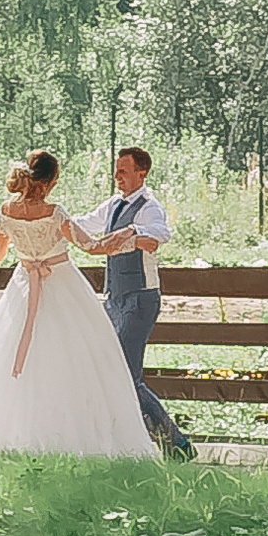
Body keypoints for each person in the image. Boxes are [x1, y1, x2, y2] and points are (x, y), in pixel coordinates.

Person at [0, 153, 155, 460]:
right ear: (51, 181)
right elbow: (92, 247)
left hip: (22, 288)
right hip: (63, 287)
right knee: (78, 358)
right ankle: (80, 438)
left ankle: (11, 435)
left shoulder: (6, 212)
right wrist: (130, 236)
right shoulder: (55, 214)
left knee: (16, 359)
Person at [92, 145, 192, 457]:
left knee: (126, 375)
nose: (117, 176)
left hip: (140, 300)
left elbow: (160, 234)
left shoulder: (149, 207)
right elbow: (84, 224)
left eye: (123, 170)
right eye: (116, 170)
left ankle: (175, 444)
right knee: (111, 372)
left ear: (141, 172)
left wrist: (133, 231)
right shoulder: (113, 205)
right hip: (114, 300)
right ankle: (130, 441)